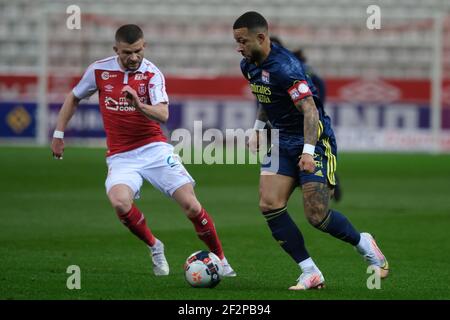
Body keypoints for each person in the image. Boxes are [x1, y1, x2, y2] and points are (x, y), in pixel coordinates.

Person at [51, 24, 236, 278]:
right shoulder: (99, 70)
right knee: (119, 202)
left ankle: (222, 260)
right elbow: (73, 97)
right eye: (127, 52)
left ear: (144, 46)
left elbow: (163, 113)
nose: (134, 57)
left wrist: (138, 104)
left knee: (192, 206)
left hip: (155, 149)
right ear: (116, 49)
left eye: (138, 51)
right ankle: (154, 245)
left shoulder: (152, 74)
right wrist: (59, 134)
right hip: (121, 156)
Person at [233, 12, 388, 290]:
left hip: (313, 141)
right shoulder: (249, 65)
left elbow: (310, 110)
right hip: (281, 141)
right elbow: (265, 96)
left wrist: (307, 151)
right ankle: (310, 271)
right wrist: (257, 128)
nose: (239, 47)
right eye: (237, 42)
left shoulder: (287, 67)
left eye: (243, 41)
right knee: (269, 203)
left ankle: (363, 242)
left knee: (316, 216)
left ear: (261, 37)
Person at [270, 36, 343, 202]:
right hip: (280, 124)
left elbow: (319, 83)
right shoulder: (262, 71)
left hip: (301, 123)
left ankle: (324, 181)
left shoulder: (293, 67)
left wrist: (316, 106)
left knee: (308, 155)